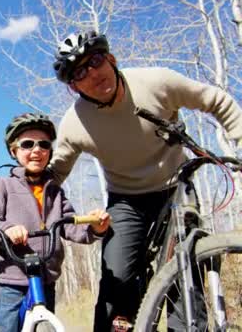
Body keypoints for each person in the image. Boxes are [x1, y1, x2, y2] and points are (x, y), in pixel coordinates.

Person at [50, 30, 242, 331]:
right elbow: (56, 173)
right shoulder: (75, 123)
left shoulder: (156, 82)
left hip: (177, 186)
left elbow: (216, 100)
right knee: (119, 277)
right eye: (79, 72)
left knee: (186, 268)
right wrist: (28, 198)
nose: (92, 73)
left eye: (96, 60)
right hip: (126, 200)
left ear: (111, 59)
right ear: (74, 87)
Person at [0, 113, 111, 332]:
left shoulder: (55, 191)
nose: (36, 150)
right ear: (14, 151)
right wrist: (7, 229)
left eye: (44, 144)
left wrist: (94, 229)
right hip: (13, 277)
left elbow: (69, 225)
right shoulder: (3, 185)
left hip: (45, 277)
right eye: (27, 144)